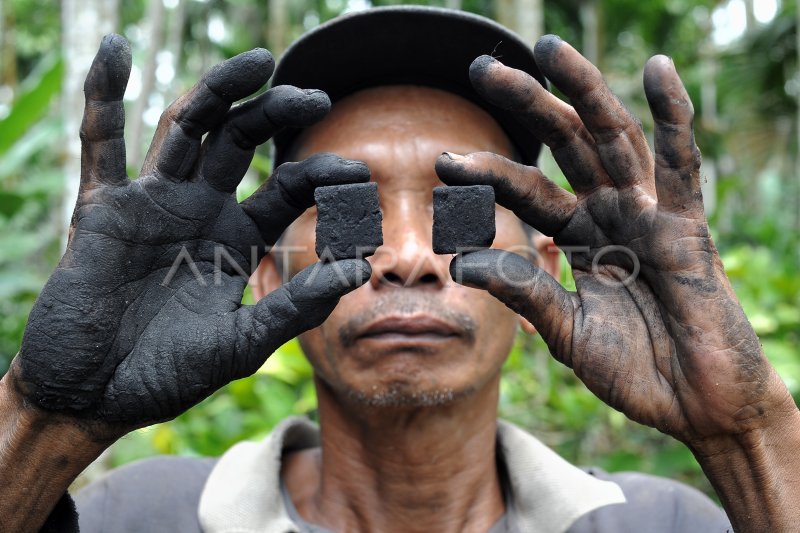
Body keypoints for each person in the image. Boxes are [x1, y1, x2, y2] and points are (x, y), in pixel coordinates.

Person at [1, 6, 798, 532]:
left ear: (543, 275)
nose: (410, 257)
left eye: (464, 205)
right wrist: (44, 423)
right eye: (350, 205)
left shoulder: (668, 524)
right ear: (270, 275)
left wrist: (747, 434)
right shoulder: (132, 517)